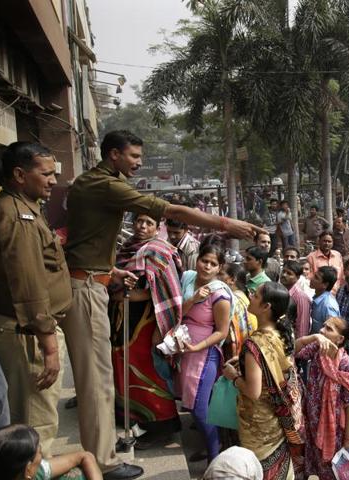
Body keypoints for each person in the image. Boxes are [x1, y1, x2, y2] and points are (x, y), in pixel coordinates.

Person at [63, 130, 261, 478]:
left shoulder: (99, 185)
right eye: (134, 156)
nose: (139, 163)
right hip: (92, 290)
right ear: (113, 155)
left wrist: (111, 272)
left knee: (103, 381)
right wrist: (226, 224)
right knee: (97, 383)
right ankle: (103, 462)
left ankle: (104, 454)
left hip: (102, 287)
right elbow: (169, 208)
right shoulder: (105, 185)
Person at [0, 142, 71, 458]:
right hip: (28, 334)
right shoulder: (17, 215)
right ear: (19, 174)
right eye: (46, 173)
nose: (53, 180)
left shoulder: (23, 207)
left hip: (24, 331)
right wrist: (49, 345)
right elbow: (28, 284)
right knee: (36, 427)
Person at [108, 213, 182, 448]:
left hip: (147, 324)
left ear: (157, 227)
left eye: (149, 223)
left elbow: (164, 290)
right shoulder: (127, 248)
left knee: (148, 372)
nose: (142, 226)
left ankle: (162, 425)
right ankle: (133, 417)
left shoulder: (160, 251)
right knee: (125, 367)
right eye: (139, 221)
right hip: (123, 321)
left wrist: (126, 294)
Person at [222, 283, 304, 480]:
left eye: (256, 295)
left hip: (259, 423)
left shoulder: (255, 344)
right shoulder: (282, 333)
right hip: (279, 417)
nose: (251, 296)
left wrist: (233, 376)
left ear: (266, 306)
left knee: (260, 470)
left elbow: (253, 391)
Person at [179, 244, 233, 461]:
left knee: (199, 409)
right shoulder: (188, 279)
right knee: (192, 406)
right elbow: (177, 313)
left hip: (204, 354)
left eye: (213, 264)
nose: (207, 267)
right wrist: (192, 299)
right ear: (197, 259)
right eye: (204, 260)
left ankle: (214, 455)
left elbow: (221, 332)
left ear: (219, 268)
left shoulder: (219, 294)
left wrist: (196, 347)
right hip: (185, 350)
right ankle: (212, 447)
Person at [295, 317, 349, 480]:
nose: (322, 331)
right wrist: (312, 337)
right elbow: (294, 351)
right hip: (313, 422)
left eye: (329, 329)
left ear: (340, 339)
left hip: (335, 428)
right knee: (316, 465)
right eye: (323, 326)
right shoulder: (317, 349)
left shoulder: (346, 364)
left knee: (333, 469)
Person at [0, 424, 102, 480]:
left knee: (75, 473)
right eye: (39, 452)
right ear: (29, 469)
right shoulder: (32, 473)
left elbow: (84, 457)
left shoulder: (34, 472)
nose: (41, 454)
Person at [219, 263, 256, 360]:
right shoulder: (245, 298)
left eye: (220, 274)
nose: (216, 276)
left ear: (232, 280)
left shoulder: (230, 301)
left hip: (231, 358)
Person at [280, 260, 312, 339]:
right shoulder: (281, 290)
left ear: (297, 278)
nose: (284, 275)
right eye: (283, 271)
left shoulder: (301, 298)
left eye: (289, 273)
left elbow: (302, 327)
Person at [310, 266, 341, 334]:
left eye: (316, 278)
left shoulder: (328, 306)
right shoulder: (317, 298)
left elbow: (332, 332)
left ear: (325, 285)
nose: (311, 278)